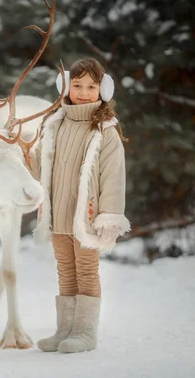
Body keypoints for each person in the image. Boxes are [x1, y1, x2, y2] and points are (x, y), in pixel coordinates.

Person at [30, 58, 130, 353]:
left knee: (86, 270)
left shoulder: (105, 131)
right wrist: (22, 153)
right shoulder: (54, 126)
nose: (84, 92)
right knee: (65, 270)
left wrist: (109, 216)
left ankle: (85, 332)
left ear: (102, 90)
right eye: (77, 85)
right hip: (58, 214)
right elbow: (40, 167)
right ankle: (65, 330)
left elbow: (113, 177)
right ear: (66, 87)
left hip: (86, 216)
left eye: (91, 86)